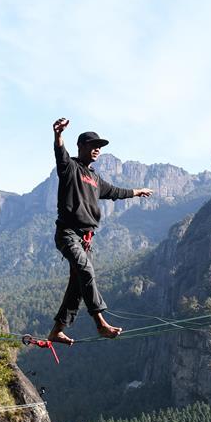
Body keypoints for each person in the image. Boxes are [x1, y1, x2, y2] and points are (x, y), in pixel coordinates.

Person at [47, 118, 153, 345]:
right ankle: (100, 323)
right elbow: (60, 153)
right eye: (93, 145)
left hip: (86, 240)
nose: (97, 150)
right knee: (85, 271)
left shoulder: (95, 178)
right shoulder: (70, 168)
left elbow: (115, 191)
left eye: (100, 147)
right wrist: (58, 135)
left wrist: (137, 191)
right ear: (81, 147)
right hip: (68, 234)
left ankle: (57, 330)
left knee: (77, 286)